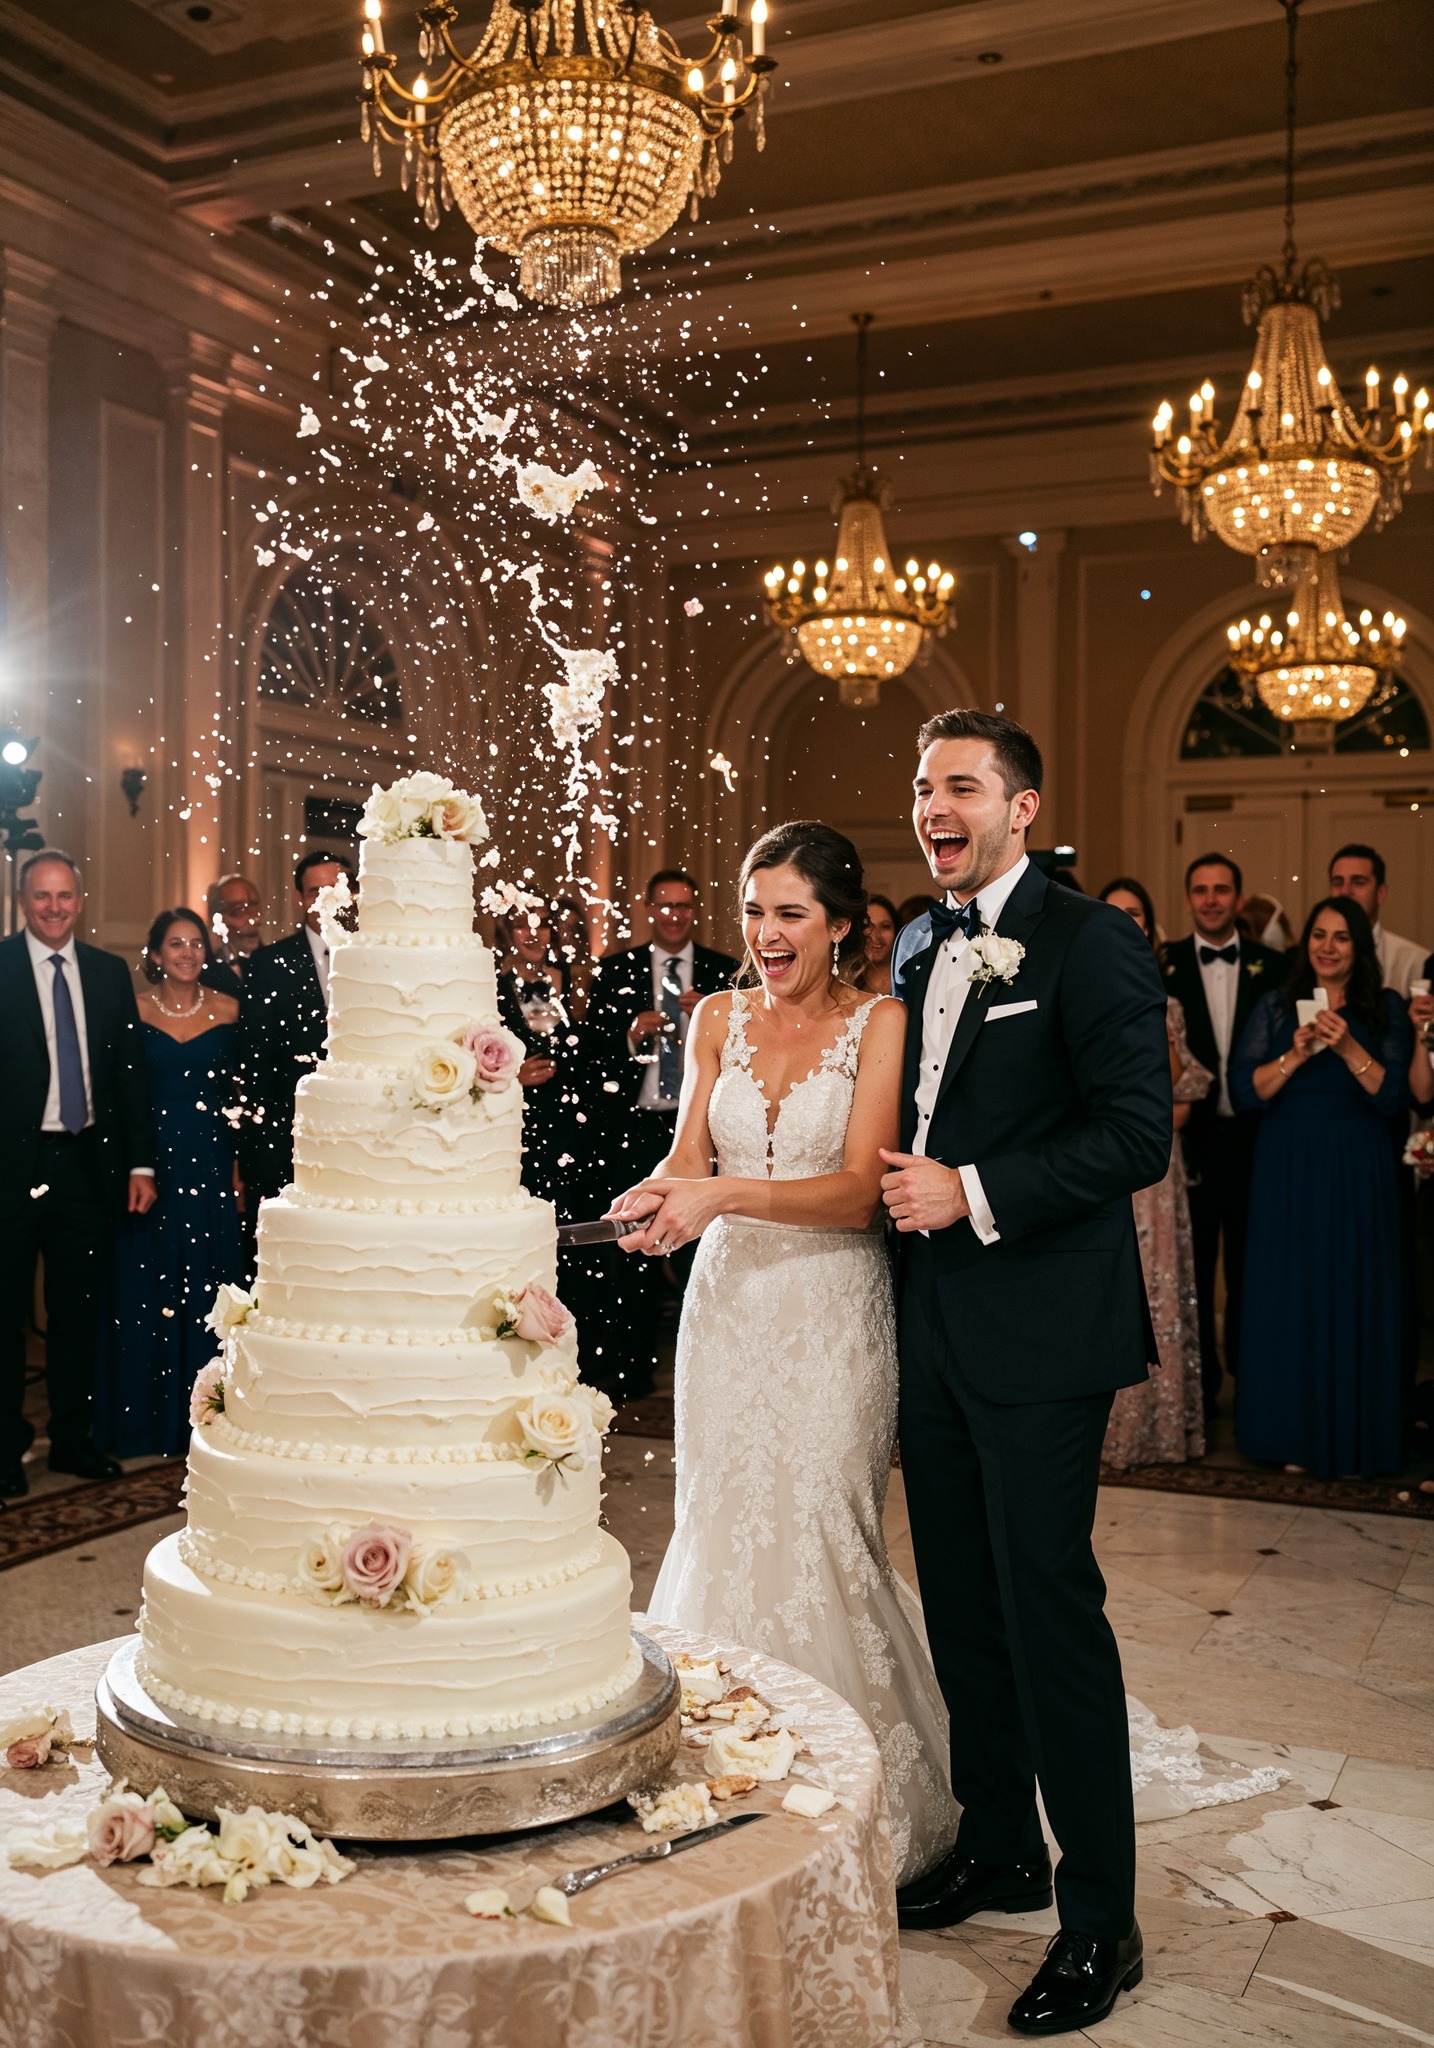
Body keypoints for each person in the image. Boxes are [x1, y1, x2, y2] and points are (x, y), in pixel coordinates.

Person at [880, 710, 1170, 2035]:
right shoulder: (914, 940)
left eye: (960, 785)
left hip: (1043, 1329)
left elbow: (1136, 1134)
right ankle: (999, 1844)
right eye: (922, 786)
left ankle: (1101, 1920)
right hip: (930, 1323)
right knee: (959, 1601)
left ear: (1020, 808)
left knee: (1048, 1609)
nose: (934, 806)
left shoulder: (1089, 938)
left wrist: (976, 1190)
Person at [607, 822, 959, 1887]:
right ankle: (718, 1779)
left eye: (790, 912)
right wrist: (661, 1196)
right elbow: (690, 1152)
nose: (765, 931)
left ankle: (846, 1792)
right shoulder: (714, 1016)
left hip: (829, 1310)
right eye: (754, 910)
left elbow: (858, 1193)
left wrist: (719, 1194)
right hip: (725, 1311)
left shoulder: (880, 1022)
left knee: (819, 1529)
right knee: (721, 1521)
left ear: (840, 925)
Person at [1232, 896, 1410, 1477]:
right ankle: (1291, 1437)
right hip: (1287, 1165)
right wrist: (1297, 1052)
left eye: (1341, 937)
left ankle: (1354, 1436)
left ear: (1360, 947)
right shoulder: (1275, 1005)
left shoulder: (1384, 1007)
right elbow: (1246, 1091)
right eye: (1318, 935)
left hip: (1357, 1165)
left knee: (1353, 1290)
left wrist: (1348, 1046)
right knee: (1289, 1293)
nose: (1327, 947)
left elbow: (1394, 1097)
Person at [0, 850, 156, 1497]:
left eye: (64, 896)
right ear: (22, 900)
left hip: (86, 1167)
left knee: (77, 1314)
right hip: (12, 1169)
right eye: (42, 896)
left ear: (81, 901)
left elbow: (127, 1074)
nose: (54, 908)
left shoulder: (107, 972)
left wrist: (140, 1162)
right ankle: (5, 1450)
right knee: (5, 1316)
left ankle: (71, 1440)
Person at [579, 870, 737, 1398]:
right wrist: (629, 1036)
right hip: (635, 1127)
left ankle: (713, 1367)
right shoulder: (614, 969)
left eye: (684, 905)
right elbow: (590, 1054)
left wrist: (710, 1019)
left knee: (702, 1249)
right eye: (665, 905)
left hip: (703, 1130)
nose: (674, 915)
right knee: (634, 1251)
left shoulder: (723, 972)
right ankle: (633, 1372)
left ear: (696, 910)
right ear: (648, 909)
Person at [95, 909, 243, 1458]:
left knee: (208, 1283)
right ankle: (143, 1421)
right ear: (155, 954)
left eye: (196, 943)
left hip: (210, 1161)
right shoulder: (131, 1010)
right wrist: (133, 1165)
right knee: (146, 1283)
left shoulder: (231, 1009)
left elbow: (240, 1096)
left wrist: (238, 1164)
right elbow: (117, 1094)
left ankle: (210, 1417)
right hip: (150, 1164)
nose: (187, 953)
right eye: (176, 944)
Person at [1160, 854, 1285, 1416]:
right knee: (1192, 1267)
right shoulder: (1165, 965)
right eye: (1201, 890)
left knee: (1251, 1268)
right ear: (1189, 898)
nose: (1211, 900)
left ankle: (1250, 1381)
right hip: (1192, 1141)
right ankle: (1202, 1392)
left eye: (1221, 890)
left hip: (1260, 1139)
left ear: (1238, 897)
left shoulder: (1277, 967)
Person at [1099, 878, 1212, 1466]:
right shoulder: (1082, 994)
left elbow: (1180, 1092)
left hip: (1156, 1170)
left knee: (1159, 1287)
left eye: (1135, 913)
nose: (1126, 922)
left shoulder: (1167, 1005)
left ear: (1149, 926)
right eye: (1114, 912)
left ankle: (1159, 1427)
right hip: (1100, 1163)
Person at [233, 849, 354, 1214]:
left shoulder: (376, 955)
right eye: (316, 891)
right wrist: (264, 1150)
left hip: (366, 1131)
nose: (326, 899)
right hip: (293, 1135)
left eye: (335, 888)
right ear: (299, 898)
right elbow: (256, 1064)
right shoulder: (270, 964)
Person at [1329, 843, 1426, 1000]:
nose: (1345, 891)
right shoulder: (1316, 956)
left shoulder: (1415, 962)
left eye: (1358, 882)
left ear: (1380, 893)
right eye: (1338, 882)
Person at [201, 872, 263, 1000]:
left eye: (255, 908)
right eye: (238, 911)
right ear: (217, 919)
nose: (253, 919)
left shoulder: (274, 966)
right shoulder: (203, 973)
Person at [550, 894, 596, 1022]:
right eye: (564, 929)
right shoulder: (548, 977)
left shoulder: (593, 973)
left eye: (577, 929)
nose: (571, 936)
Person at [858, 891, 898, 996]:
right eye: (868, 926)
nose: (876, 937)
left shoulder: (910, 982)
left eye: (885, 927)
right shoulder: (844, 981)